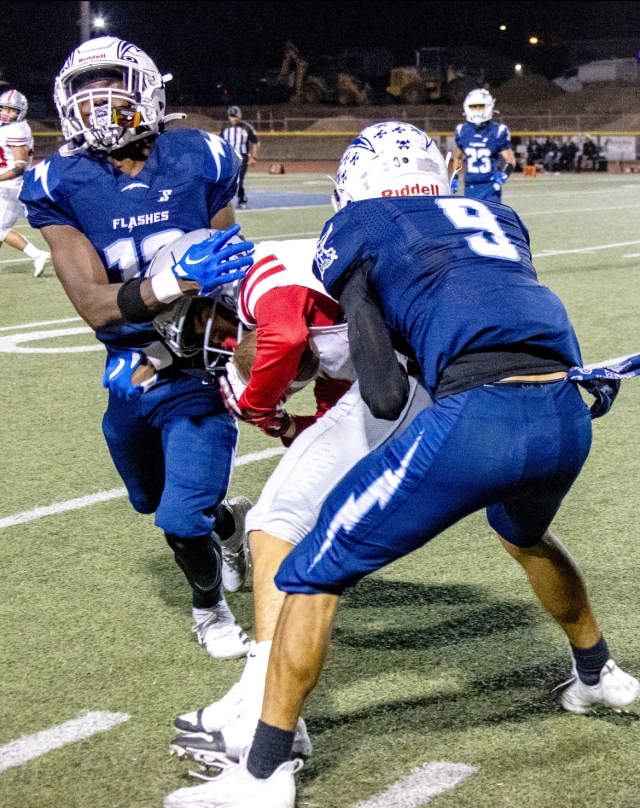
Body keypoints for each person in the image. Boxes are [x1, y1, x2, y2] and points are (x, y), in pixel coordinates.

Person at [164, 122, 640, 808]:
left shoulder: (357, 224)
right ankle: (598, 672)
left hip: (478, 419)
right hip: (566, 410)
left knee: (308, 571)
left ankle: (263, 775)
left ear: (354, 185)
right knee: (525, 535)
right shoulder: (498, 216)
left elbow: (386, 394)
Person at [20, 36, 256, 660]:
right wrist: (172, 285)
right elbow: (94, 303)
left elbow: (226, 279)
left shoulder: (200, 156)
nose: (98, 104)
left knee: (178, 518)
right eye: (85, 93)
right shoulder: (57, 181)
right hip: (127, 368)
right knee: (148, 499)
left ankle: (209, 609)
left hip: (195, 363)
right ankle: (228, 524)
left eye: (112, 88)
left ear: (148, 92)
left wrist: (183, 346)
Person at [165, 236, 431, 766]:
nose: (216, 341)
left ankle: (266, 717)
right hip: (419, 379)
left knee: (277, 523)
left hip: (421, 378)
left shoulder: (265, 273)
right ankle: (264, 701)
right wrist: (282, 422)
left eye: (200, 324)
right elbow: (334, 430)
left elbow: (284, 338)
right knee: (286, 526)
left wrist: (255, 401)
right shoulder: (330, 330)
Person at [0, 90, 50, 277]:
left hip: (11, 186)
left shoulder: (17, 130)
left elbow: (19, 167)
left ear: (20, 111)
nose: (6, 113)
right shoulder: (8, 127)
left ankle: (37, 255)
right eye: (4, 108)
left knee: (1, 229)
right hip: (5, 185)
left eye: (11, 110)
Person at [452, 89, 515, 202]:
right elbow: (458, 157)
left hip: (490, 186)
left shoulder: (498, 131)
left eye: (480, 106)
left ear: (488, 106)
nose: (477, 110)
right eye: (473, 106)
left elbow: (510, 160)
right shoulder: (462, 130)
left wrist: (505, 174)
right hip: (470, 186)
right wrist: (455, 177)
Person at [221, 106, 259, 209]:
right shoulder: (225, 128)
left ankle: (242, 198)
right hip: (229, 159)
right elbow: (221, 143)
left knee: (239, 180)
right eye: (231, 116)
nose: (233, 119)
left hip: (242, 158)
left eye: (235, 116)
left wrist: (254, 157)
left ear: (240, 116)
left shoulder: (246, 128)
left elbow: (255, 142)